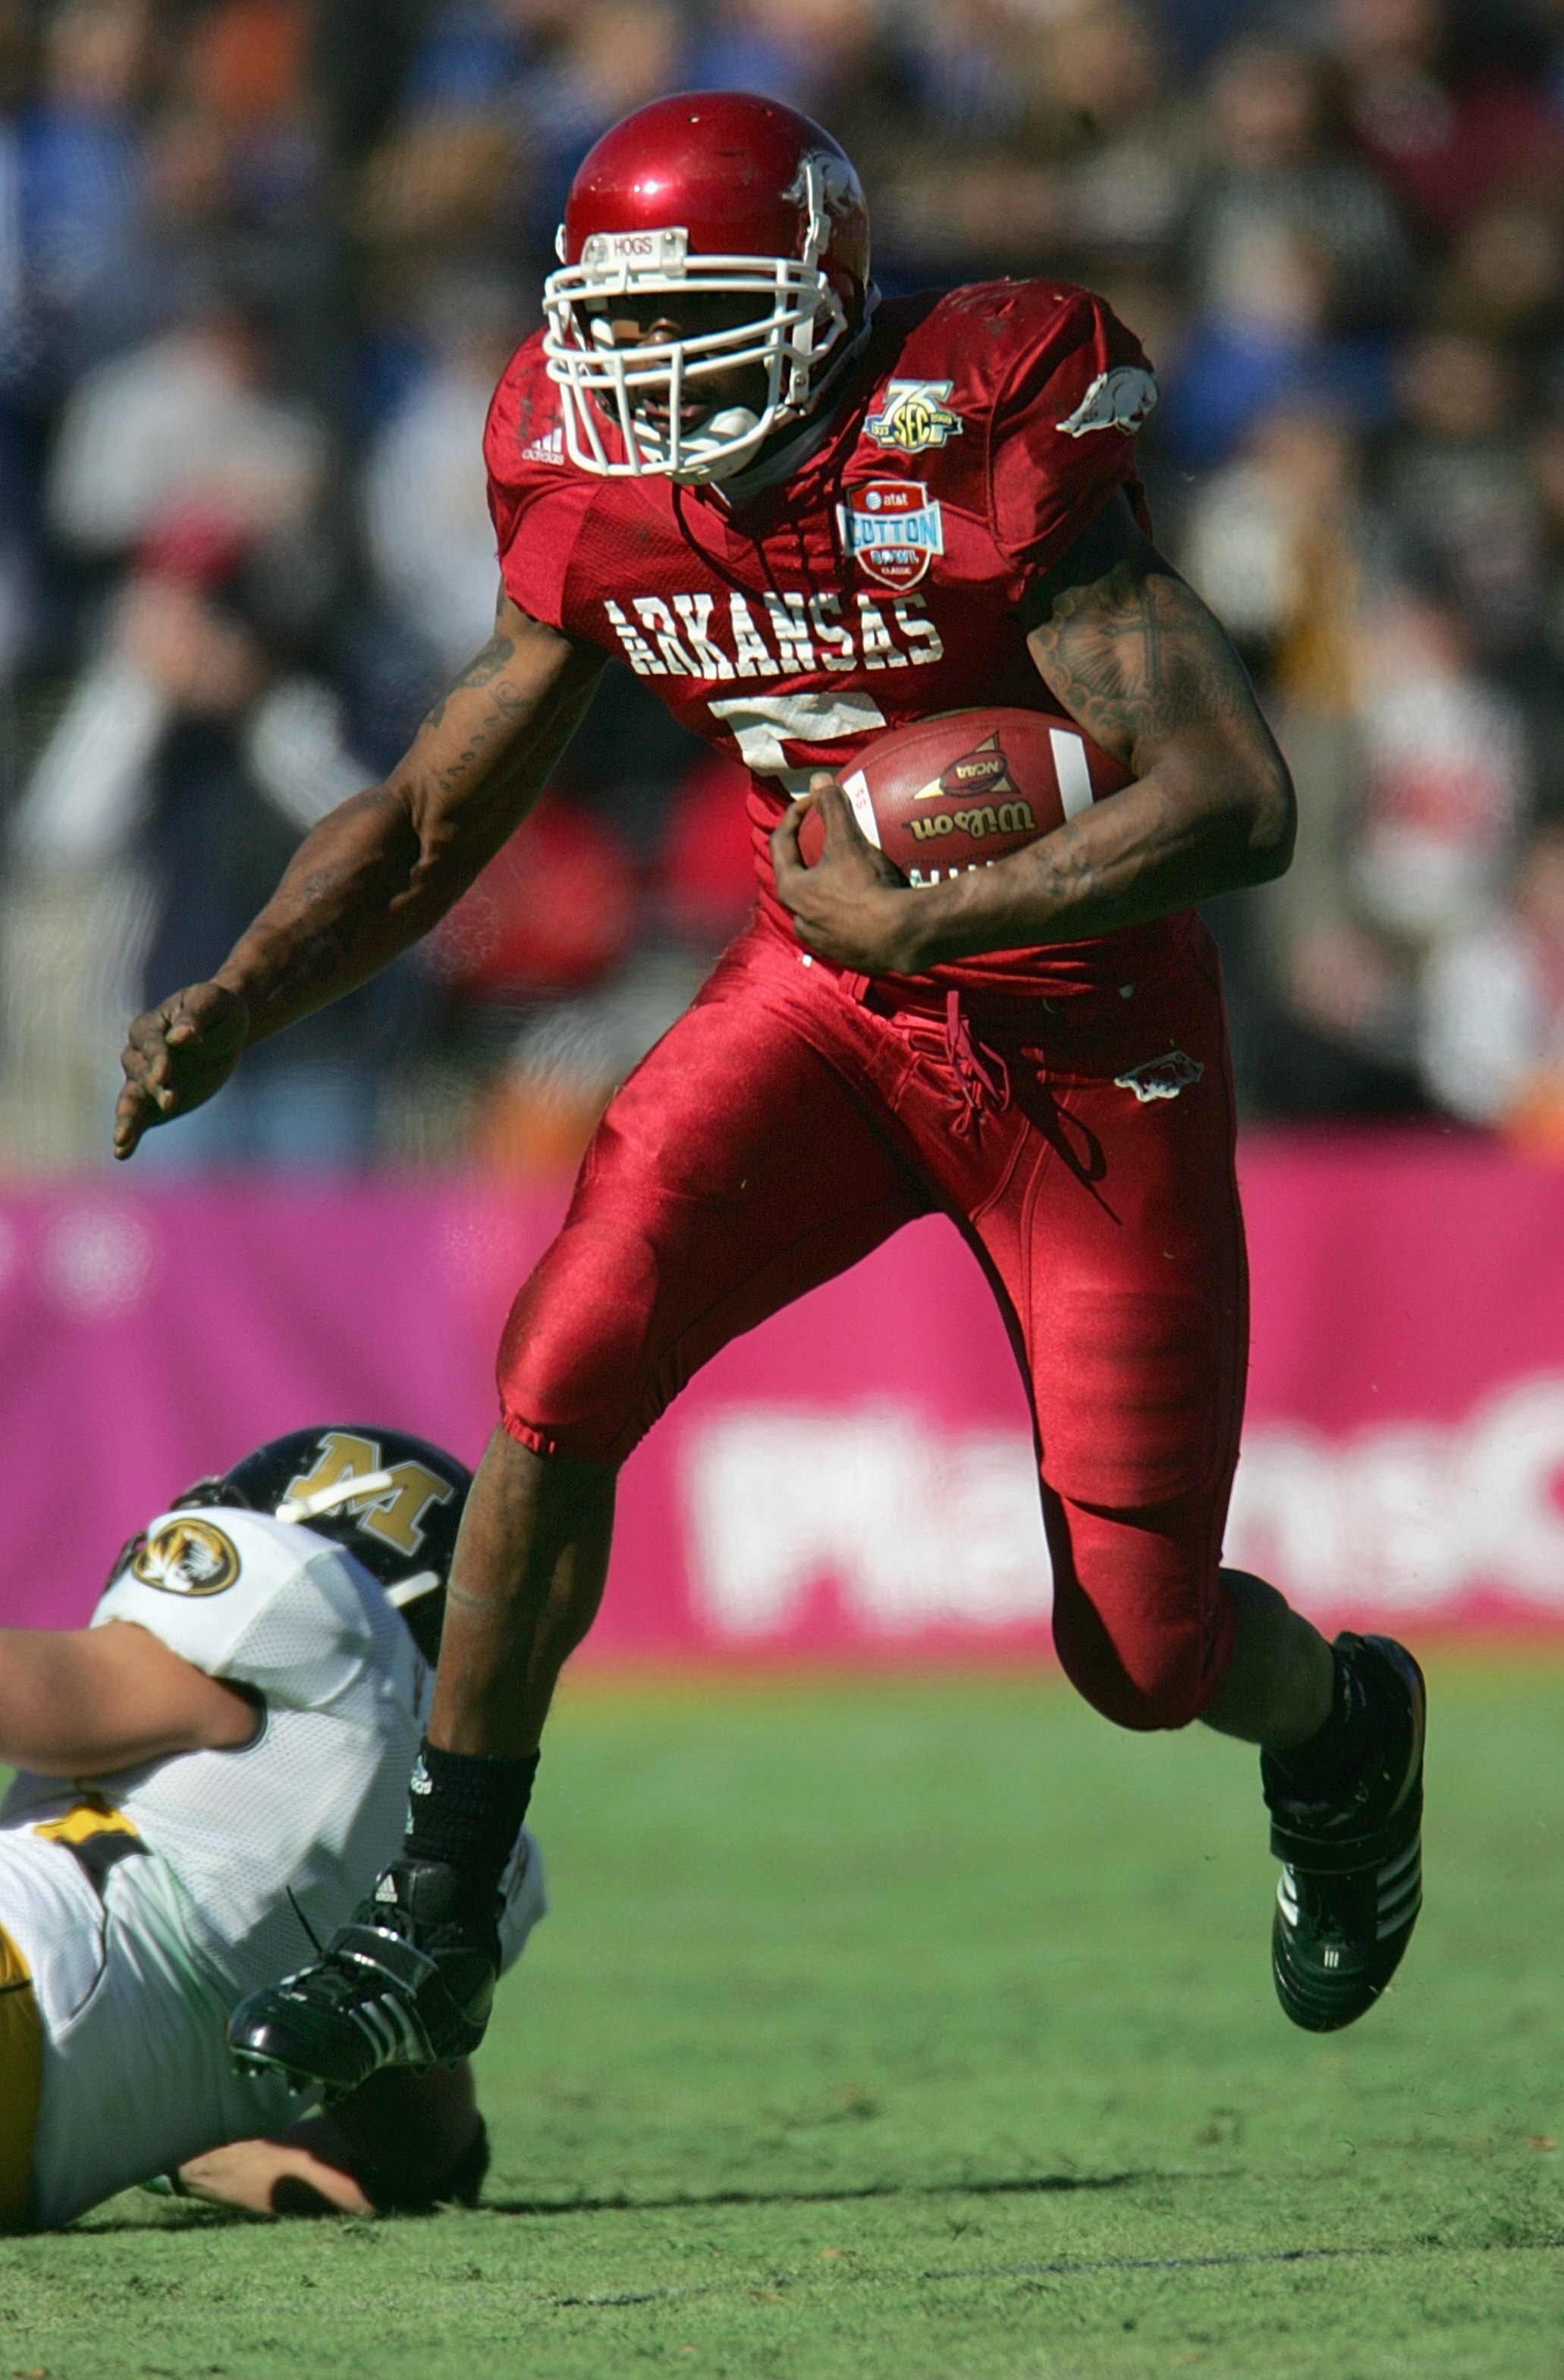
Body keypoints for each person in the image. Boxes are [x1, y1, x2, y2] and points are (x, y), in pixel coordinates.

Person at [113, 93, 1427, 2093]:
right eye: (616, 329)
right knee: (560, 1363)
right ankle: (436, 1910)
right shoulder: (588, 471)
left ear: (818, 292)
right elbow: (432, 814)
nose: (645, 375)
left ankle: (1337, 1725)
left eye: (699, 318)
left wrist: (945, 912)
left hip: (1083, 1044)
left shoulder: (973, 419)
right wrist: (238, 994)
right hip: (821, 997)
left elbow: (1235, 796)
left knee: (1141, 1646)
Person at [0, 1425, 545, 2228]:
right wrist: (172, 2140)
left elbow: (49, 1698)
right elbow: (421, 2156)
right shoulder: (462, 1852)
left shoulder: (310, 1619)